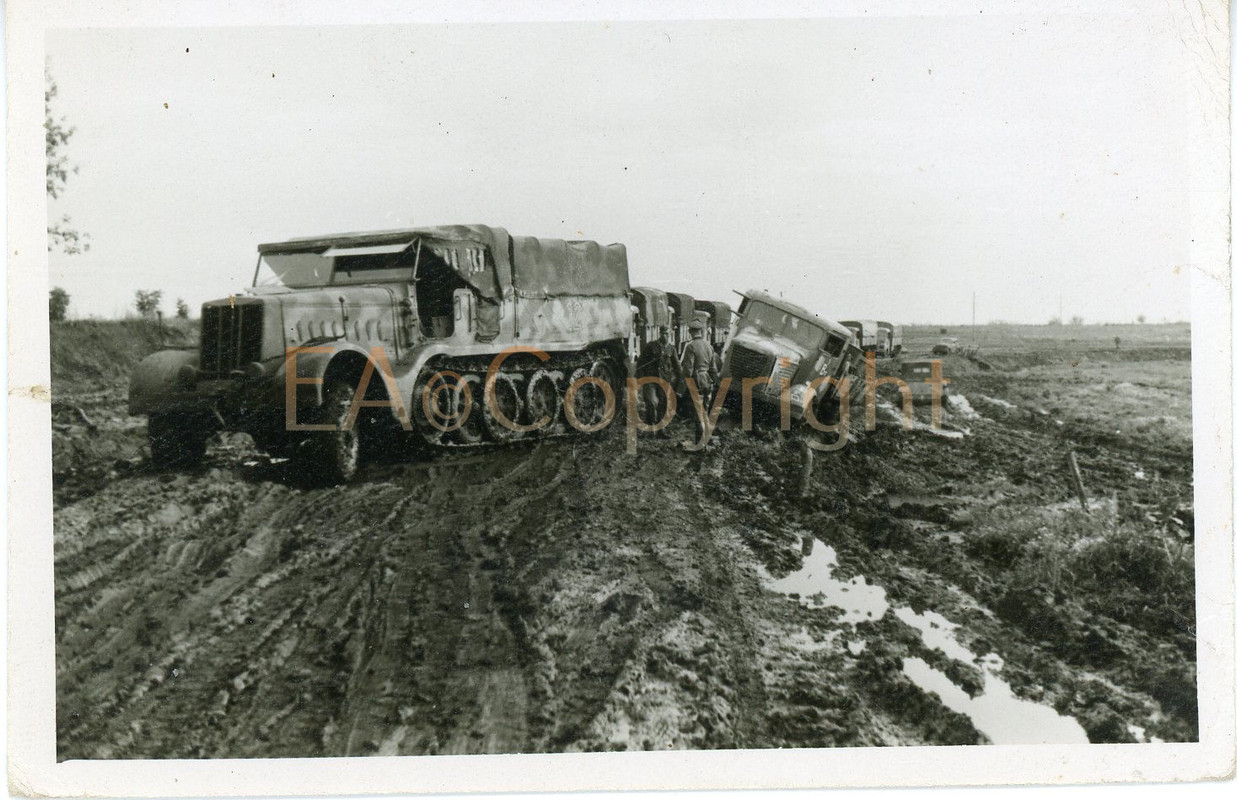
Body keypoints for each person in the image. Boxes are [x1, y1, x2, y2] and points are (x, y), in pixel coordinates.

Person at [680, 318, 721, 442]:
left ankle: (700, 442)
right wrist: (716, 383)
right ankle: (705, 438)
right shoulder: (709, 346)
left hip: (697, 381)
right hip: (707, 381)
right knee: (705, 410)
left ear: (691, 331)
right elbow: (713, 368)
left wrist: (680, 389)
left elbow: (688, 370)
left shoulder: (690, 346)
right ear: (701, 331)